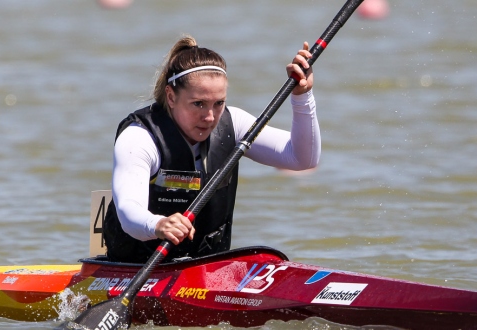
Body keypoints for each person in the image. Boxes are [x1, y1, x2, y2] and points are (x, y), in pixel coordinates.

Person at [103, 34, 320, 263]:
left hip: (205, 268)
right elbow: (128, 211)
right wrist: (158, 224)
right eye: (198, 104)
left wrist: (302, 96)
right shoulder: (139, 138)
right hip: (134, 265)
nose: (209, 117)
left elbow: (302, 159)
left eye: (219, 103)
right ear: (171, 97)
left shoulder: (233, 123)